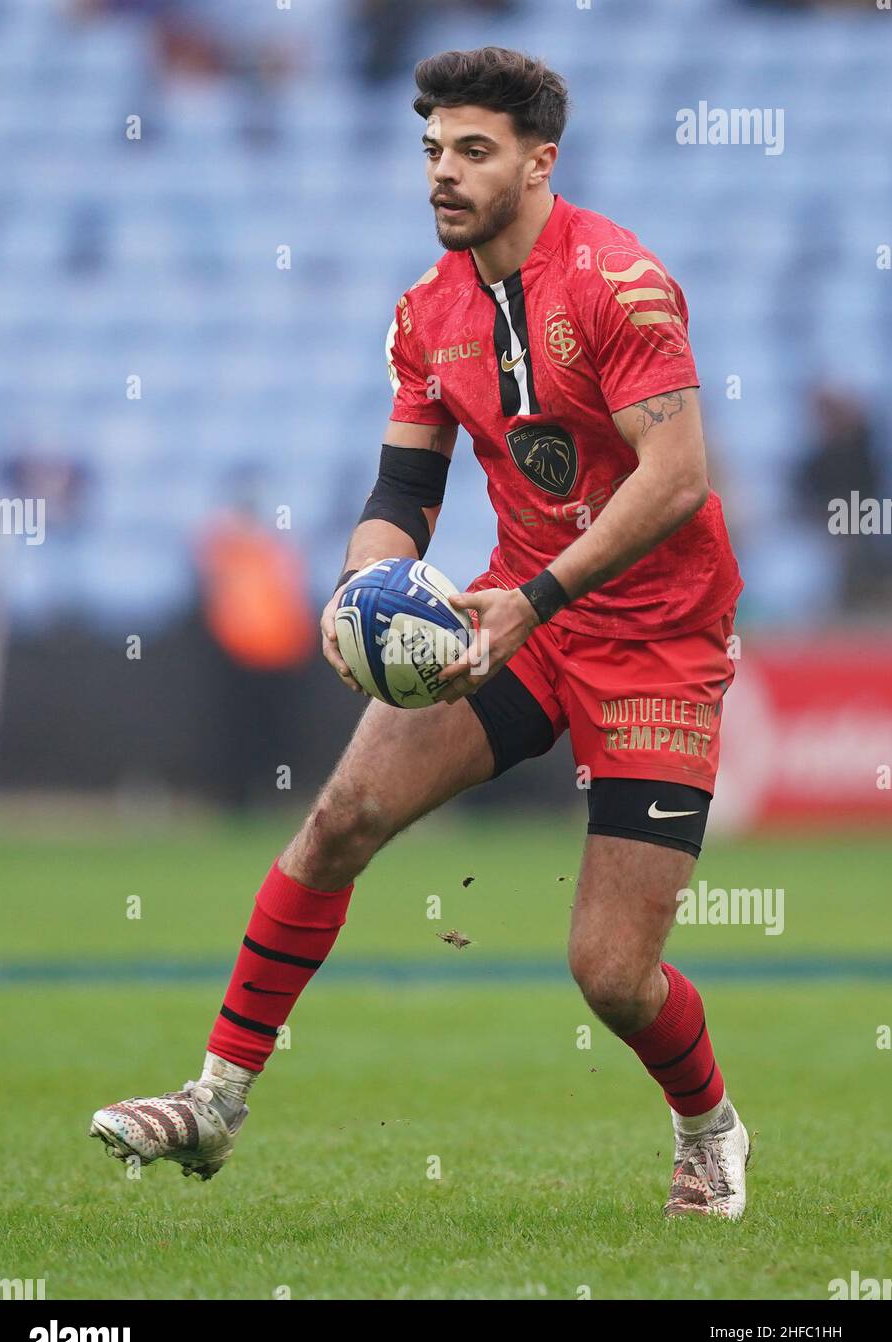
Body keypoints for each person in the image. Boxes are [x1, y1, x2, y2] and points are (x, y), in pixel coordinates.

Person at [91, 47, 750, 1220]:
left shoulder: (620, 283)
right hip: (516, 616)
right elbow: (401, 492)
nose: (442, 174)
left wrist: (535, 597)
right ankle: (213, 1101)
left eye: (473, 152)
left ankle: (708, 1126)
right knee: (340, 815)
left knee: (609, 973)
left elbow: (681, 478)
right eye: (432, 150)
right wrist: (365, 582)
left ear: (541, 163)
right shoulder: (426, 313)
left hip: (652, 640)